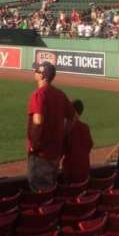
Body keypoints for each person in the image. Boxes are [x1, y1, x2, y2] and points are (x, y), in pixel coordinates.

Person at [26, 62, 75, 191]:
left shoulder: (39, 94)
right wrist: (63, 134)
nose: (34, 72)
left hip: (41, 153)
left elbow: (38, 121)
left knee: (41, 191)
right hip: (56, 152)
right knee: (51, 188)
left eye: (37, 71)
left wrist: (33, 144)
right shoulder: (60, 94)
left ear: (42, 76)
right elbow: (73, 117)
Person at [62, 100, 93, 185]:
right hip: (85, 169)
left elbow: (62, 150)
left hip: (71, 171)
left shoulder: (68, 129)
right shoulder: (85, 127)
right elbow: (89, 146)